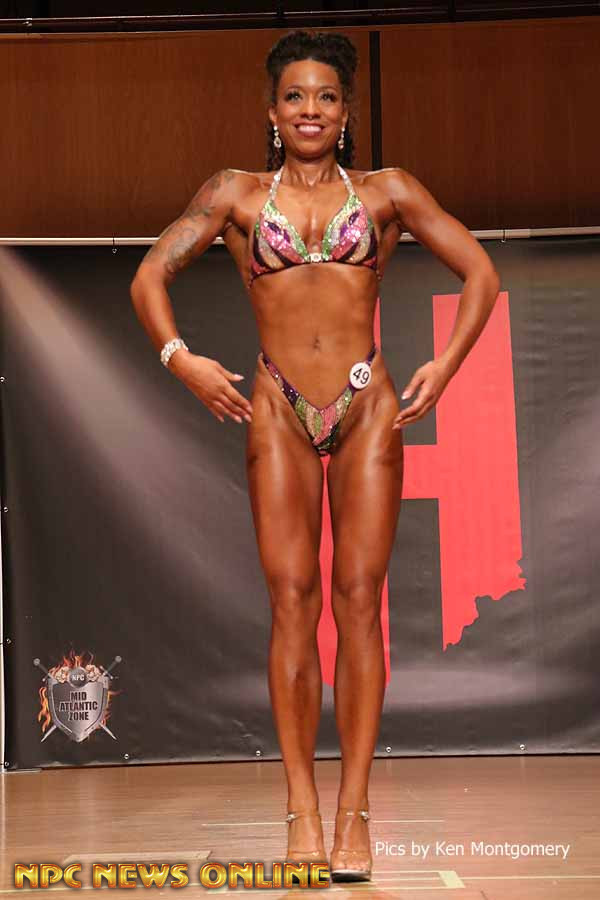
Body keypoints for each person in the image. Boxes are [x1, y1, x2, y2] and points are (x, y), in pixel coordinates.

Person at [130, 29, 500, 882]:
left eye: (326, 97)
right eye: (295, 96)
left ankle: (353, 811)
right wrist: (181, 360)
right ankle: (300, 807)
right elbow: (149, 277)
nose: (310, 110)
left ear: (345, 111)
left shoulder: (387, 192)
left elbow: (479, 272)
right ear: (272, 110)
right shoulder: (233, 195)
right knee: (292, 603)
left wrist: (446, 365)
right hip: (278, 408)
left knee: (360, 602)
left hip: (366, 405)